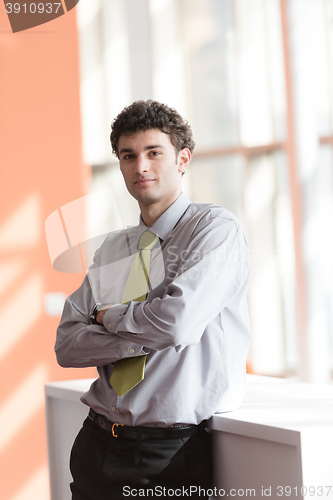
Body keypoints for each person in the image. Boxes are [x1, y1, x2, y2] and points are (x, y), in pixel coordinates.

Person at [55, 100, 251, 500]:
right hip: (95, 441)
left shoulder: (214, 230)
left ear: (183, 159)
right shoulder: (114, 248)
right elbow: (67, 344)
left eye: (153, 152)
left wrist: (108, 317)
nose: (140, 166)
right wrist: (145, 330)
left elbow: (177, 322)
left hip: (167, 453)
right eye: (129, 156)